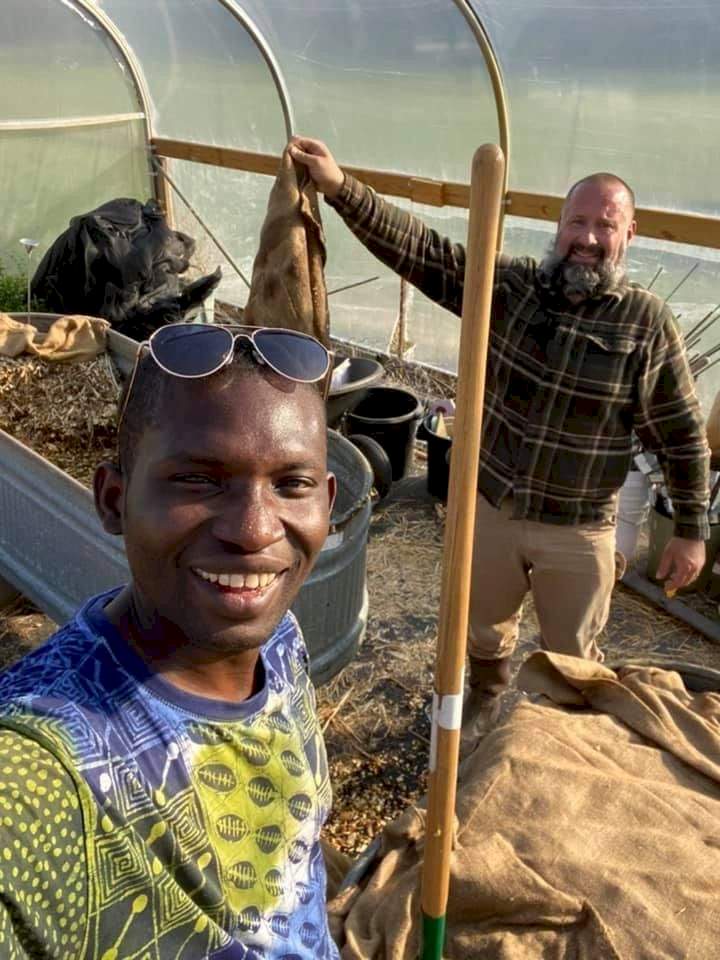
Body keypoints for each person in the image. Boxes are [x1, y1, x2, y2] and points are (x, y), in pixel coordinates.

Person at [289, 136, 710, 732]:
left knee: (572, 656)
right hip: (492, 505)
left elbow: (683, 434)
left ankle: (555, 738)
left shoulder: (644, 322)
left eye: (606, 225)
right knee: (483, 629)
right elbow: (422, 251)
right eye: (578, 222)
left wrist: (691, 531)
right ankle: (486, 705)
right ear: (558, 226)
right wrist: (339, 188)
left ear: (630, 234)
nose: (588, 238)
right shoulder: (510, 288)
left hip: (580, 524)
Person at [0, 323, 340, 958]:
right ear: (113, 500)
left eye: (290, 484)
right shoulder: (46, 765)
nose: (254, 530)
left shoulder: (280, 642)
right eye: (198, 480)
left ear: (325, 502)